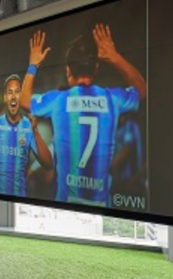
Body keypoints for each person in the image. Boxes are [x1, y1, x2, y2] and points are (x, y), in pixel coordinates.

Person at [19, 26, 147, 206]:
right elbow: (141, 89)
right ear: (96, 68)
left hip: (67, 209)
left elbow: (24, 100)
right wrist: (114, 56)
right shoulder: (112, 99)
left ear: (68, 71)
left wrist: (33, 65)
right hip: (103, 210)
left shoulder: (58, 100)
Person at [0, 74, 53, 197]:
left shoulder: (28, 126)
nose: (13, 96)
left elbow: (48, 164)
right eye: (10, 92)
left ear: (21, 96)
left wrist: (36, 131)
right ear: (5, 97)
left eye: (17, 92)